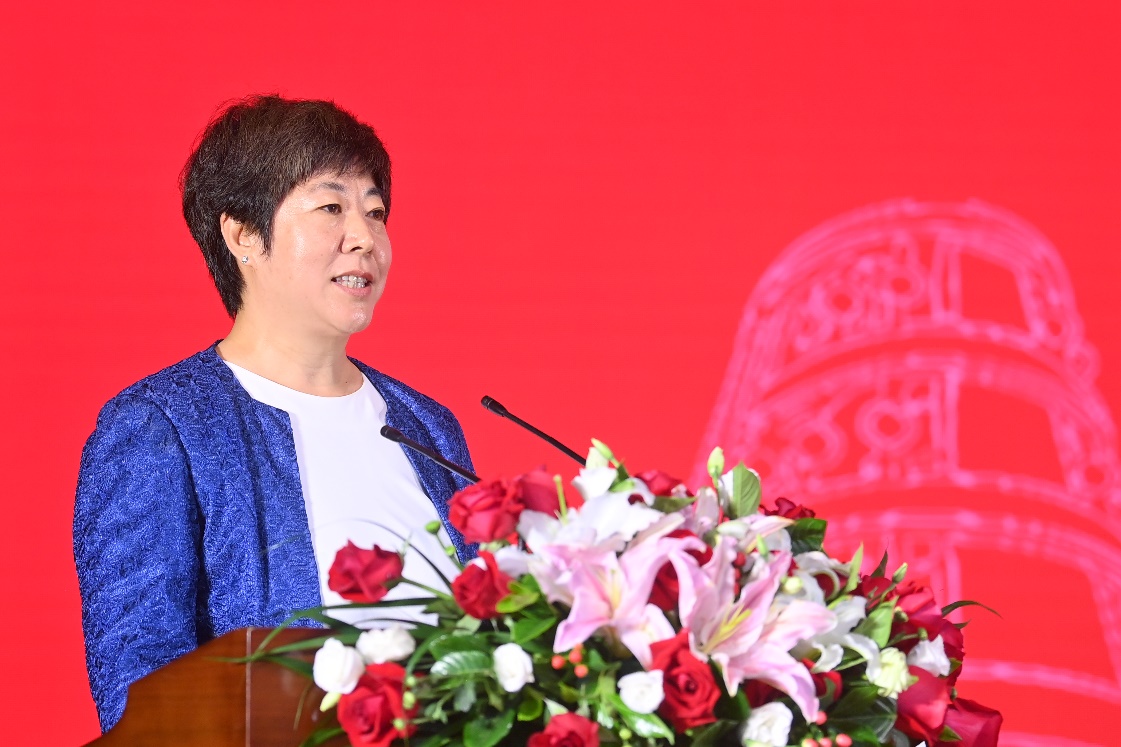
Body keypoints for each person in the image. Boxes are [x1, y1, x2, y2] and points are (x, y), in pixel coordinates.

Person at [73, 95, 475, 733]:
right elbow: (141, 700)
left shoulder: (428, 427)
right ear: (242, 236)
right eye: (331, 208)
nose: (364, 238)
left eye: (375, 212)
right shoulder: (163, 427)